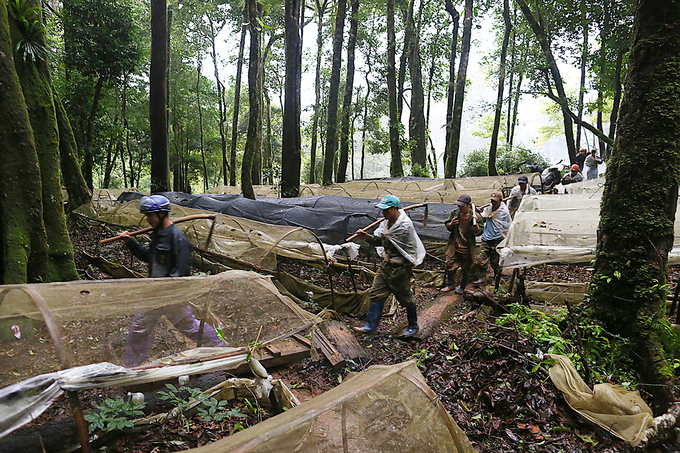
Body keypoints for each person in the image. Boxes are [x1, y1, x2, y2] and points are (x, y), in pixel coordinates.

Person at [120, 195, 224, 367]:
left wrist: (168, 291)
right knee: (139, 329)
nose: (148, 219)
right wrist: (131, 243)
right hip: (154, 294)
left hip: (172, 296)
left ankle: (217, 345)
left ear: (162, 215)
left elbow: (182, 272)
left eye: (150, 216)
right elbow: (150, 257)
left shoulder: (177, 238)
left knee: (189, 326)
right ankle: (134, 366)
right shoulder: (158, 234)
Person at [351, 195, 425, 337]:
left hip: (400, 270)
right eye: (382, 210)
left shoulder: (404, 226)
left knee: (405, 298)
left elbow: (407, 249)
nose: (383, 213)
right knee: (376, 293)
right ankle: (371, 327)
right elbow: (381, 241)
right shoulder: (386, 224)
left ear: (394, 209)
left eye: (386, 210)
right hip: (386, 266)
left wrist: (405, 269)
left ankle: (413, 325)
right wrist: (366, 237)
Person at [442, 194, 483, 294]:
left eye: (462, 205)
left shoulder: (475, 217)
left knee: (466, 269)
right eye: (458, 205)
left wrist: (476, 224)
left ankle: (462, 287)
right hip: (454, 246)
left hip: (468, 248)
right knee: (449, 264)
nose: (459, 207)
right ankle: (451, 284)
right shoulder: (455, 213)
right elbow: (447, 225)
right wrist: (451, 224)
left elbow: (479, 232)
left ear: (468, 205)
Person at [474, 192, 512, 286]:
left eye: (495, 201)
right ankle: (482, 277)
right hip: (487, 238)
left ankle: (496, 277)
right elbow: (483, 218)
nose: (493, 203)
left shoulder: (504, 212)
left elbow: (507, 226)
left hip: (498, 238)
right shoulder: (488, 208)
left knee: (495, 262)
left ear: (500, 201)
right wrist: (478, 213)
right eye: (491, 200)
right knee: (481, 260)